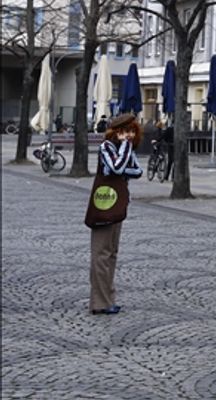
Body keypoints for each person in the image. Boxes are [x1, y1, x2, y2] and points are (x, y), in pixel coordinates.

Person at [87, 113, 143, 315]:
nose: (129, 136)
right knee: (101, 254)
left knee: (111, 253)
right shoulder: (107, 147)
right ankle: (99, 302)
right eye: (125, 131)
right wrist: (126, 149)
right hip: (104, 203)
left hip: (117, 203)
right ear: (116, 132)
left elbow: (138, 171)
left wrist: (123, 160)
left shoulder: (124, 149)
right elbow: (117, 167)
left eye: (132, 132)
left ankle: (108, 298)